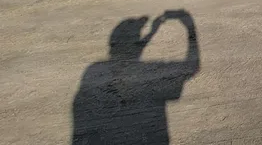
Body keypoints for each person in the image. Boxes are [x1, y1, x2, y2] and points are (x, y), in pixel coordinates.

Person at [72, 10, 200, 144]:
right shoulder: (145, 71)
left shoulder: (94, 69)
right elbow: (191, 67)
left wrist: (152, 31)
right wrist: (190, 27)